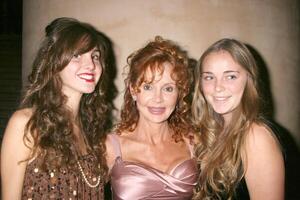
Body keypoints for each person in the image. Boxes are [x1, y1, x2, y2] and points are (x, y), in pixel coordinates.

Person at [1, 17, 111, 199]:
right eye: (77, 55)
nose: (90, 65)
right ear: (54, 63)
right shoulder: (26, 123)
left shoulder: (92, 132)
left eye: (95, 56)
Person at [105, 36, 198, 199]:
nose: (158, 99)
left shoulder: (193, 142)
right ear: (134, 91)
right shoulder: (111, 147)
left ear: (179, 94)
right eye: (148, 87)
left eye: (168, 89)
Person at [191, 38, 285, 200]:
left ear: (249, 79)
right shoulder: (212, 130)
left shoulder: (256, 136)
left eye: (231, 77)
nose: (218, 87)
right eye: (209, 77)